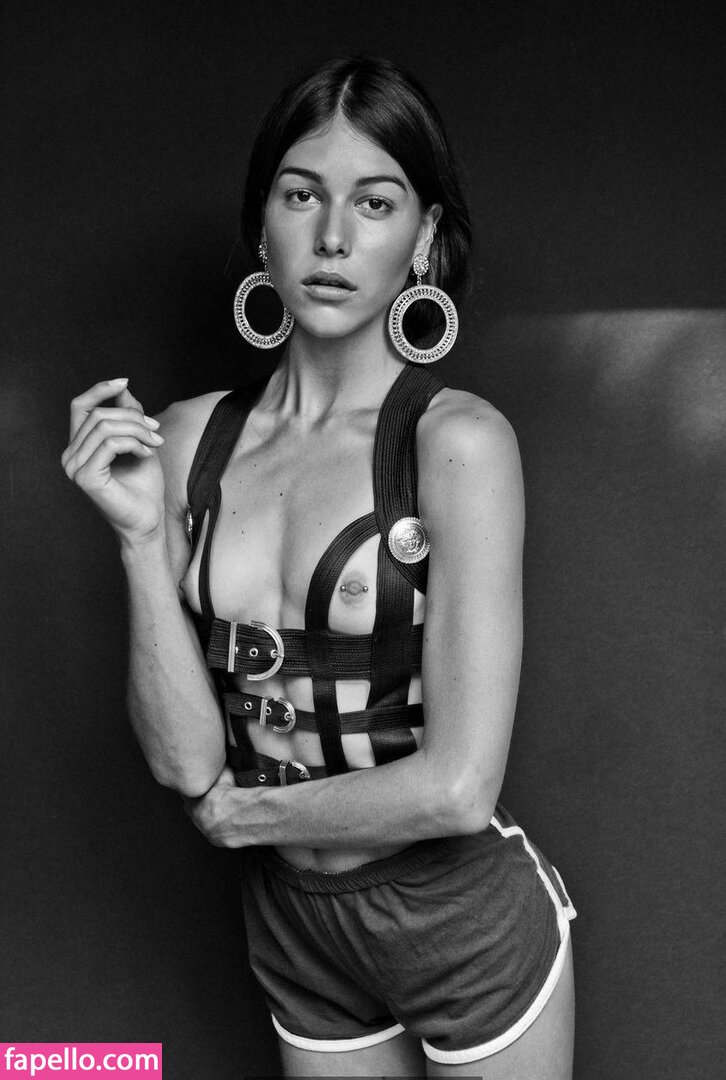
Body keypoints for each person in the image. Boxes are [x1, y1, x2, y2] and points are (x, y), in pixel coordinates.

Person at [62, 56, 576, 1079]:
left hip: (459, 918)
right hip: (295, 925)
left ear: (423, 237)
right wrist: (138, 540)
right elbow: (186, 765)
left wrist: (249, 815)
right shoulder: (188, 441)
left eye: (375, 202)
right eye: (302, 195)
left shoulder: (456, 444)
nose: (333, 237)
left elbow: (458, 788)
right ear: (263, 225)